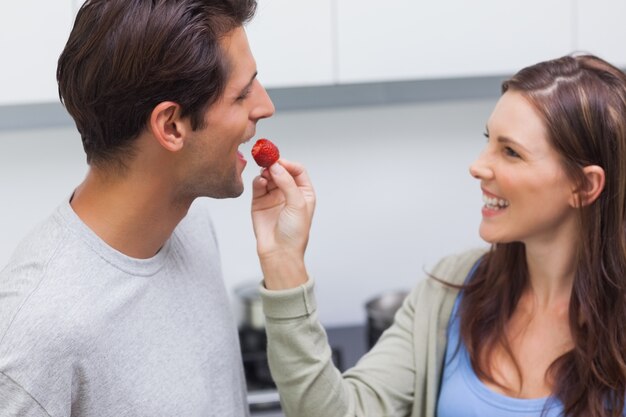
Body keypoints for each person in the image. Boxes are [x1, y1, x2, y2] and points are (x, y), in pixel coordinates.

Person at [250, 54, 626, 417]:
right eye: (488, 140)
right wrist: (284, 261)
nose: (478, 166)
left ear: (584, 185)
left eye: (510, 152)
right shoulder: (450, 291)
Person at [0, 0, 274, 416]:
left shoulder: (191, 224)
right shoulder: (35, 332)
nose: (265, 106)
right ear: (170, 126)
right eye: (242, 95)